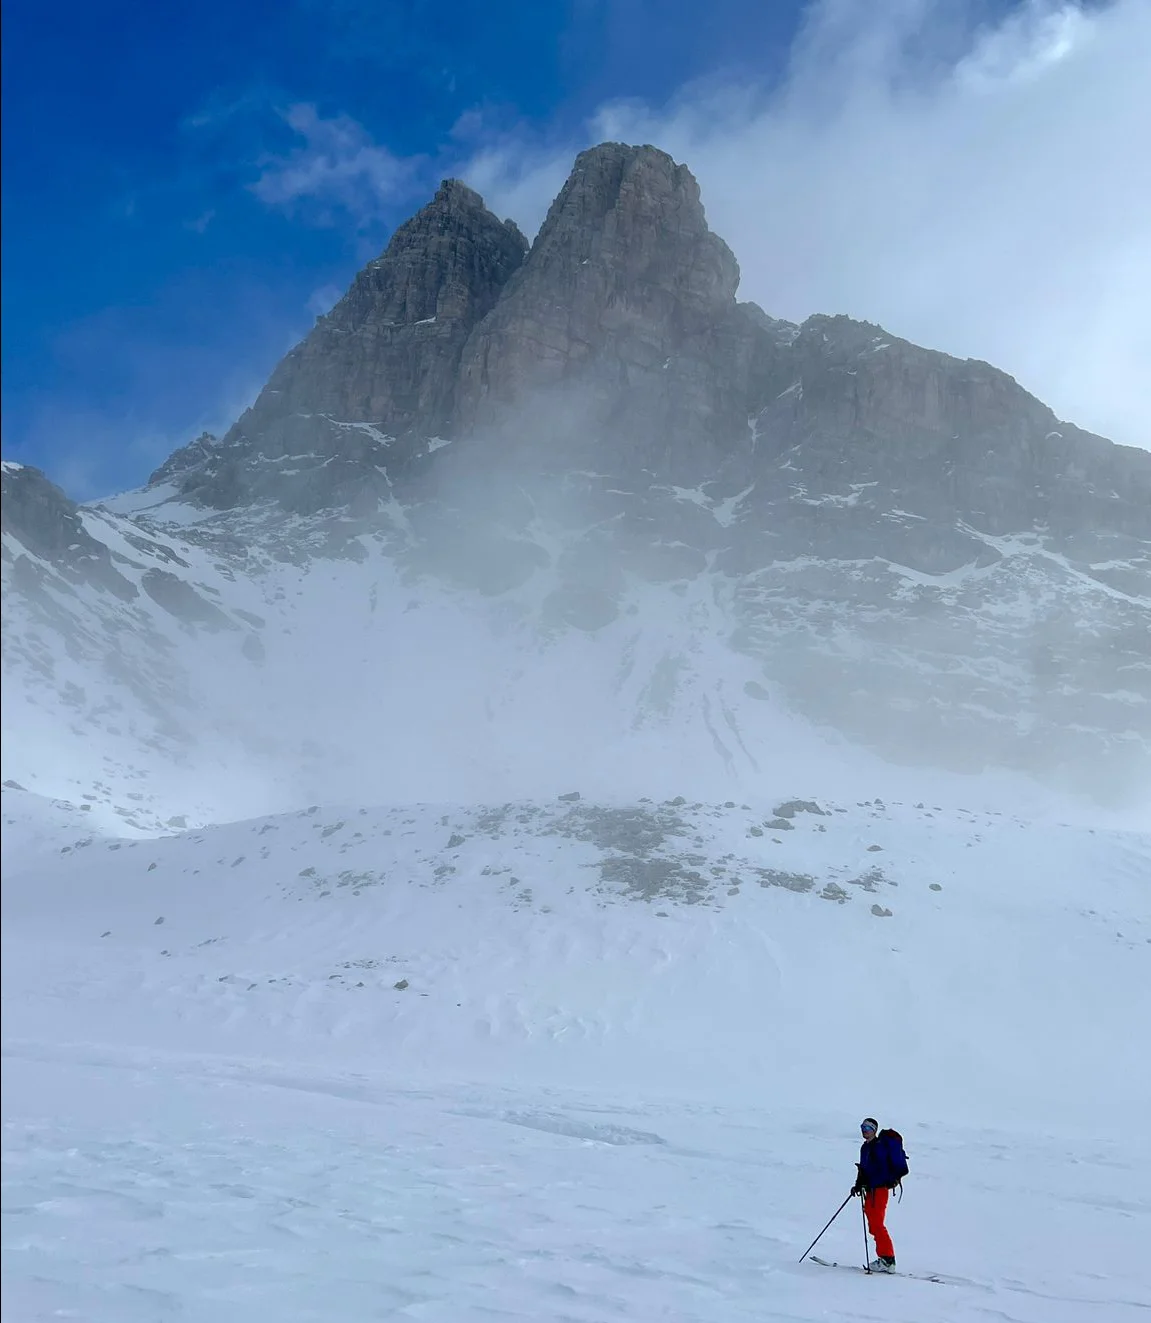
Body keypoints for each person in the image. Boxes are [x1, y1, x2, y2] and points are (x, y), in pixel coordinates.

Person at [851, 1117, 897, 1271]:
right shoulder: (865, 1148)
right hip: (870, 1190)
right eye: (863, 1127)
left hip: (879, 1190)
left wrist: (867, 1182)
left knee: (877, 1224)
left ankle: (888, 1260)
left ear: (875, 1130)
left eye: (868, 1127)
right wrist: (858, 1184)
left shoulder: (879, 1147)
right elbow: (863, 1169)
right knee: (873, 1225)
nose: (865, 1130)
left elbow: (880, 1170)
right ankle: (885, 1259)